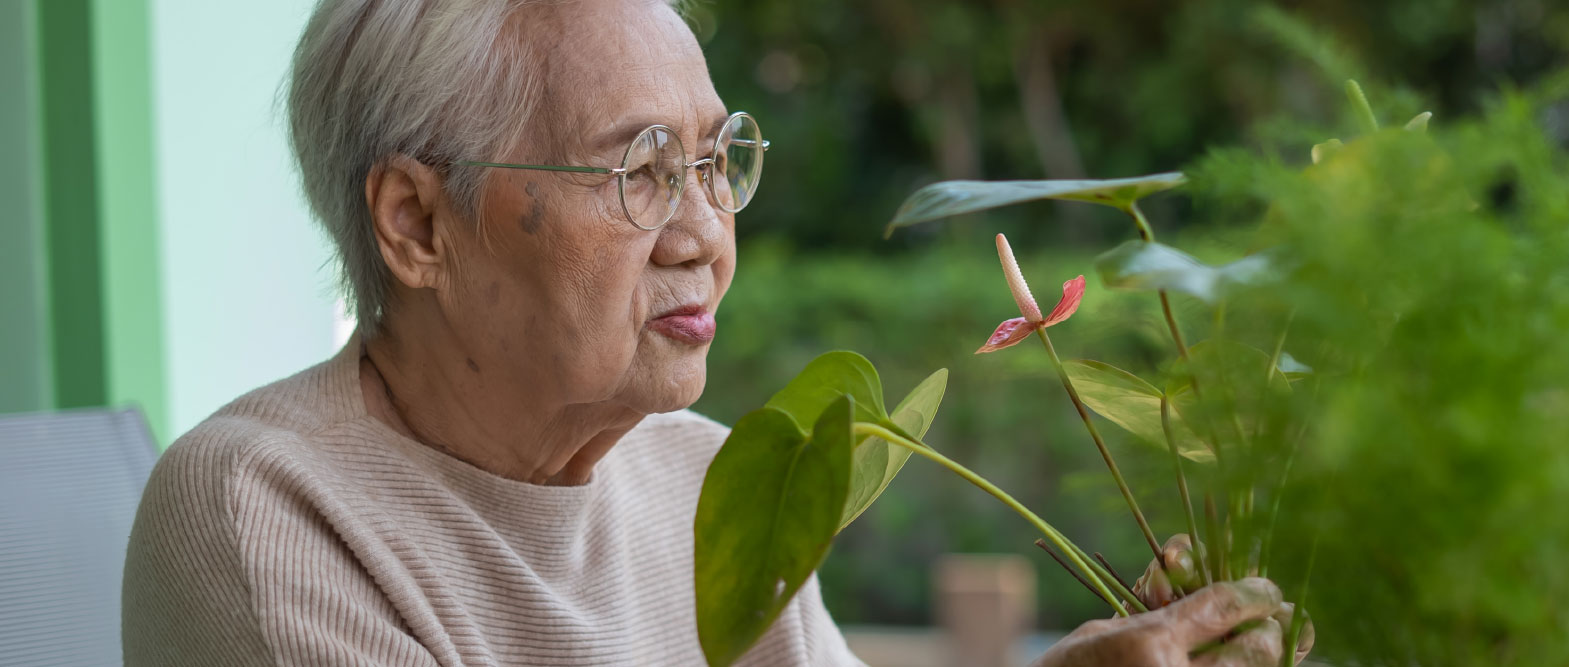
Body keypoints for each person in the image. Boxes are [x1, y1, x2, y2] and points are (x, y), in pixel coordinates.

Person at [120, 0, 1311, 664]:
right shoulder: (263, 516)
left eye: (713, 160)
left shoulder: (698, 470)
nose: (704, 234)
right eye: (637, 170)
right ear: (417, 223)